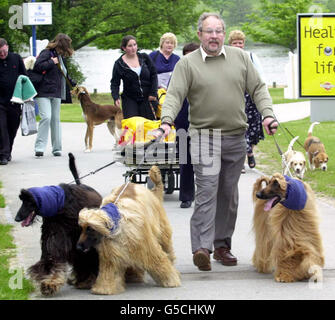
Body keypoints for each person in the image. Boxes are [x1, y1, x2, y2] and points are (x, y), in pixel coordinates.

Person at [157, 13, 278, 271]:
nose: (214, 36)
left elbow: (259, 89)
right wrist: (166, 120)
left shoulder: (241, 58)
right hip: (204, 137)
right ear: (199, 34)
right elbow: (175, 94)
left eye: (218, 31)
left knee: (228, 194)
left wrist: (268, 115)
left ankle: (222, 245)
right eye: (209, 31)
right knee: (207, 190)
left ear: (224, 34)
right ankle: (202, 247)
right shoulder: (187, 64)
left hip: (236, 137)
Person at [34, 33, 76, 158]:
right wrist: (51, 62)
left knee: (55, 120)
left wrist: (73, 84)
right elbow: (37, 66)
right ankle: (39, 147)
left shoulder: (60, 56)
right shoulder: (46, 53)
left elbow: (64, 74)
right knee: (46, 117)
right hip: (43, 91)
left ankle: (57, 148)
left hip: (56, 92)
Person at [228, 30, 265, 171]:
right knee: (239, 129)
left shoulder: (251, 56)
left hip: (251, 97)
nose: (238, 45)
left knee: (253, 129)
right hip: (235, 97)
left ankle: (250, 152)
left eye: (240, 42)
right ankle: (242, 160)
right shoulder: (226, 58)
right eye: (235, 43)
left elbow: (261, 77)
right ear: (230, 44)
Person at [174, 42, 199, 209]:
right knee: (186, 161)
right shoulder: (178, 73)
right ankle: (186, 196)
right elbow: (172, 97)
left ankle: (207, 195)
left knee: (208, 162)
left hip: (205, 123)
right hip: (183, 123)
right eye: (187, 55)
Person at [111, 35, 158, 120]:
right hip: (130, 99)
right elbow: (115, 83)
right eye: (130, 46)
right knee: (133, 125)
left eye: (135, 45)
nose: (133, 48)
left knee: (148, 126)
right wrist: (116, 97)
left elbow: (154, 75)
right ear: (124, 48)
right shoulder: (119, 64)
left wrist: (153, 93)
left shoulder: (144, 57)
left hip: (148, 97)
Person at [0, 38, 27, 165]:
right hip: (0, 102)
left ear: (7, 47)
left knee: (12, 127)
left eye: (4, 51)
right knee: (1, 127)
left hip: (15, 101)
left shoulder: (16, 58)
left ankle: (8, 151)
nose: (2, 54)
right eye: (0, 53)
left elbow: (24, 77)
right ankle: (3, 154)